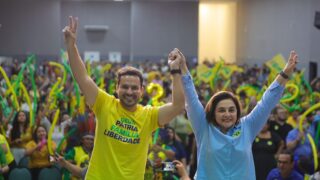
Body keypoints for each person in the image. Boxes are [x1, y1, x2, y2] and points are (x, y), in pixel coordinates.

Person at [63, 16, 185, 179]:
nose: (129, 91)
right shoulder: (104, 103)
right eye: (125, 87)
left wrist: (176, 71)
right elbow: (82, 78)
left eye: (134, 88)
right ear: (117, 88)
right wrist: (71, 46)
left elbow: (178, 106)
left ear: (141, 91)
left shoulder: (149, 116)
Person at [178, 50, 298, 179]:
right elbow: (191, 99)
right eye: (221, 110)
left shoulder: (247, 126)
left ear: (237, 112)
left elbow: (267, 102)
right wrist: (182, 66)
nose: (227, 114)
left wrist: (285, 74)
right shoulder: (203, 127)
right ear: (213, 112)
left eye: (231, 110)